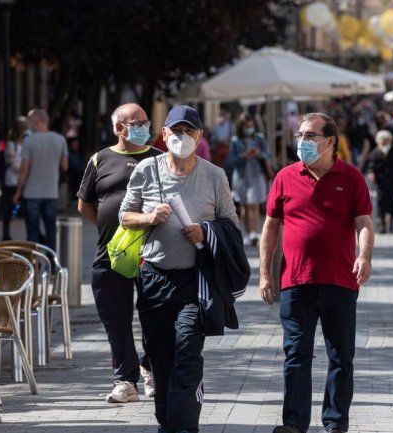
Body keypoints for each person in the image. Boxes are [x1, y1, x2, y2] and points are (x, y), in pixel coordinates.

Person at [119, 105, 238, 433]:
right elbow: (124, 214)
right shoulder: (146, 170)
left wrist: (206, 231)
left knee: (186, 349)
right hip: (154, 277)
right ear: (165, 134)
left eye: (189, 131)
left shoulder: (214, 175)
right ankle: (167, 423)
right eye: (176, 131)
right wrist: (147, 218)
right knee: (160, 357)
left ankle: (184, 427)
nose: (182, 137)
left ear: (199, 136)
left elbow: (232, 224)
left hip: (194, 282)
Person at [259, 113, 374, 433]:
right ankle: (294, 424)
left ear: (330, 142)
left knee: (341, 358)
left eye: (310, 136)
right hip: (296, 283)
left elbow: (364, 223)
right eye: (300, 136)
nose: (303, 142)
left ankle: (335, 423)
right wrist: (265, 274)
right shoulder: (285, 176)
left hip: (340, 281)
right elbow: (270, 226)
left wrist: (364, 256)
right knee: (296, 355)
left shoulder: (350, 177)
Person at [77, 103, 162, 403]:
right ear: (118, 128)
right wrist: (109, 229)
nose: (142, 126)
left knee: (156, 315)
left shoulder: (158, 159)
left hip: (153, 253)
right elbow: (84, 203)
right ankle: (126, 379)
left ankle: (151, 366)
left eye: (145, 122)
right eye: (135, 122)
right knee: (116, 318)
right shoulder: (100, 159)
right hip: (110, 254)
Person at [13, 109, 68, 251]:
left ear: (36, 122)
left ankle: (34, 266)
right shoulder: (60, 139)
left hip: (32, 193)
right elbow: (65, 166)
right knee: (51, 232)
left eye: (30, 121)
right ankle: (53, 266)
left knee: (32, 233)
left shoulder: (29, 141)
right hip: (51, 193)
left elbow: (24, 168)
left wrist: (18, 191)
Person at [228, 113, 270, 247]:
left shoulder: (259, 138)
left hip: (256, 175)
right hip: (241, 176)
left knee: (254, 205)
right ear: (241, 127)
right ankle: (248, 233)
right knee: (244, 206)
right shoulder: (235, 141)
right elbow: (231, 161)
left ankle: (254, 233)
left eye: (250, 126)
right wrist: (244, 155)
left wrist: (258, 153)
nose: (249, 128)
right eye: (246, 126)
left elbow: (267, 154)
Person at [367, 129, 393, 233]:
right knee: (381, 202)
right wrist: (371, 173)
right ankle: (382, 222)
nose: (383, 142)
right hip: (380, 182)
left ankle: (391, 221)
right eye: (381, 140)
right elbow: (370, 166)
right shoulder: (375, 153)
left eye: (385, 140)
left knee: (392, 202)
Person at [0, 116, 27, 240]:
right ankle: (6, 233)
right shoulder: (11, 144)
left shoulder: (27, 142)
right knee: (8, 207)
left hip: (24, 179)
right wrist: (26, 166)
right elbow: (13, 162)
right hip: (12, 180)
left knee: (28, 208)